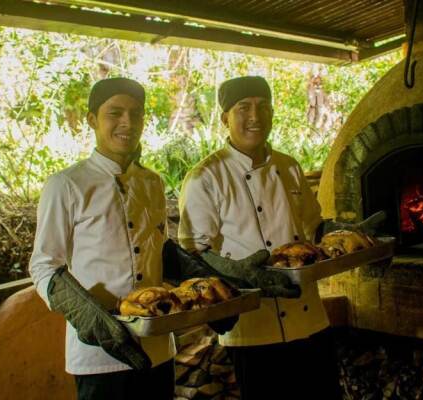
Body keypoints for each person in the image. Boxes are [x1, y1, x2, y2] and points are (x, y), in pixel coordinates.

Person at [178, 76, 342, 400]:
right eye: (244, 108)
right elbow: (194, 254)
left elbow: (313, 227)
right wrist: (239, 273)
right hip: (253, 330)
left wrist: (347, 234)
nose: (255, 116)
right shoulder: (205, 177)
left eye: (263, 106)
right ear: (225, 118)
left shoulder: (289, 166)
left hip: (309, 317)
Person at [29, 77, 176, 400]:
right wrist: (88, 316)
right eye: (115, 113)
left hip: (158, 346)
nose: (127, 122)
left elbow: (159, 251)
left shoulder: (152, 182)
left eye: (136, 114)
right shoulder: (66, 184)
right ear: (92, 120)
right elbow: (43, 265)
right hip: (98, 357)